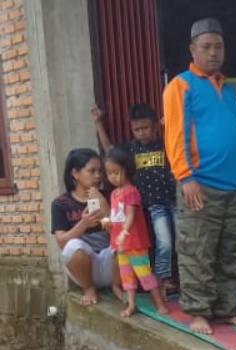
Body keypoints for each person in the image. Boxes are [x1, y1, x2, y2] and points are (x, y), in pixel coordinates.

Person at [163, 17, 236, 335]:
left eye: (218, 46)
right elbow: (175, 135)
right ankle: (199, 312)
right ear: (192, 49)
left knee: (233, 253)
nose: (213, 52)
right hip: (200, 186)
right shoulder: (181, 85)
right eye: (206, 47)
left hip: (235, 188)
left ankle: (226, 309)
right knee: (197, 251)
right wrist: (185, 176)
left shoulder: (231, 92)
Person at [92, 103, 178, 299]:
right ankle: (162, 282)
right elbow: (109, 150)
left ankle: (183, 280)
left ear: (154, 127)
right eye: (136, 129)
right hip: (153, 205)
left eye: (145, 128)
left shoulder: (164, 143)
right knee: (164, 242)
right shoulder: (131, 149)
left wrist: (170, 126)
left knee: (183, 242)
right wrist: (98, 123)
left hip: (175, 200)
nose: (141, 133)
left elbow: (180, 144)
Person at [105, 147, 168, 318]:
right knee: (126, 277)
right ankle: (132, 304)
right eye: (109, 173)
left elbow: (131, 215)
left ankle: (159, 304)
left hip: (135, 242)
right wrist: (110, 225)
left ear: (127, 170)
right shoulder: (113, 194)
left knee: (144, 274)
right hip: (121, 244)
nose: (112, 176)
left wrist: (124, 231)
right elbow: (117, 216)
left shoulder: (131, 192)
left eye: (116, 172)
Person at [51, 148, 118, 306]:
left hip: (112, 266)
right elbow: (61, 243)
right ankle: (89, 289)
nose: (98, 176)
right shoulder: (61, 204)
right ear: (75, 173)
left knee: (125, 242)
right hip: (85, 270)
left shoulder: (110, 195)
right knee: (73, 246)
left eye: (100, 171)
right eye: (92, 171)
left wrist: (104, 206)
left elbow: (119, 232)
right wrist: (83, 224)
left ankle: (118, 286)